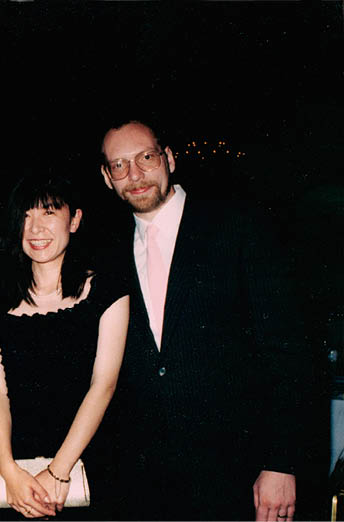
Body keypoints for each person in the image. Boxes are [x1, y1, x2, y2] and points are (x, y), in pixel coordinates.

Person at [98, 119, 306, 521]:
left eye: (145, 158)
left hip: (235, 470)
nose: (135, 175)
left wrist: (282, 461)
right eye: (119, 165)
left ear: (169, 159)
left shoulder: (237, 224)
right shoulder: (105, 252)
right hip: (142, 480)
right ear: (107, 178)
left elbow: (288, 348)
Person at [0, 173, 129, 520]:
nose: (35, 228)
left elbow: (103, 385)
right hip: (19, 474)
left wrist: (60, 471)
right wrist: (9, 469)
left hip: (90, 465)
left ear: (74, 220)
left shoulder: (106, 292)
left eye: (47, 213)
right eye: (25, 217)